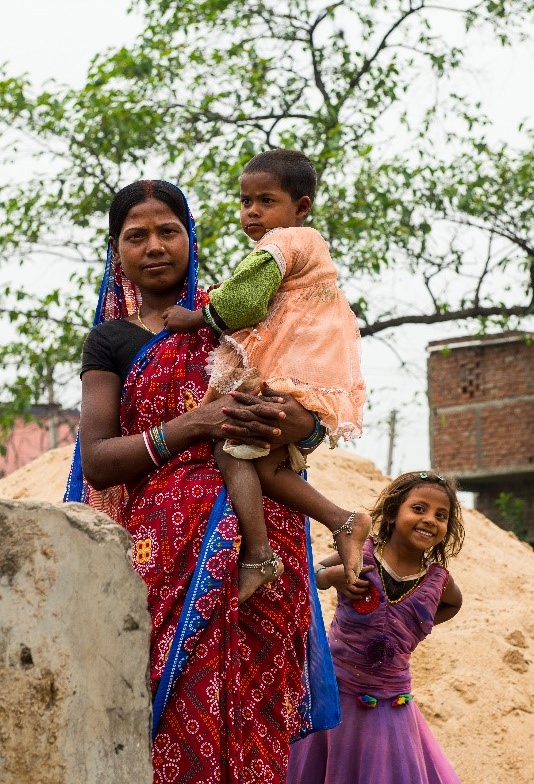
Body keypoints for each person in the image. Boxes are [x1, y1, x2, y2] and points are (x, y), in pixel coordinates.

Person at [65, 179, 341, 784]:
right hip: (164, 549)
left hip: (262, 542)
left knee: (256, 704)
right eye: (136, 237)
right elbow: (99, 461)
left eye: (169, 231)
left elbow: (311, 405)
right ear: (117, 254)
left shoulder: (241, 318)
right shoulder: (111, 341)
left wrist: (290, 420)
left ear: (192, 239)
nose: (155, 246)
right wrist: (190, 424)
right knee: (169, 695)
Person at [163, 149, 369, 603]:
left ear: (301, 207)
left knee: (230, 450)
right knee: (266, 465)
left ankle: (258, 554)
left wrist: (196, 318)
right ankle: (343, 520)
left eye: (265, 200)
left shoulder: (284, 244)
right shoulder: (307, 252)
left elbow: (243, 304)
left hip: (295, 380)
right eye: (245, 201)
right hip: (310, 385)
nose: (251, 211)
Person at [287, 470, 465, 784]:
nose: (429, 520)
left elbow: (454, 603)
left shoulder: (438, 580)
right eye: (419, 509)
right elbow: (311, 571)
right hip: (335, 696)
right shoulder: (363, 553)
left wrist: (414, 626)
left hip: (391, 708)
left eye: (441, 515)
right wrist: (330, 578)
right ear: (395, 512)